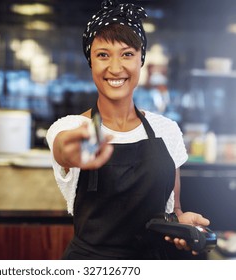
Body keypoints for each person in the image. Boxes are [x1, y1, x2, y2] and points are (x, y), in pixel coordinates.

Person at [46, 0, 210, 260]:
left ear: (141, 60)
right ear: (90, 61)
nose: (115, 67)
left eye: (127, 54)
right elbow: (64, 148)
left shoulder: (166, 130)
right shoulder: (72, 127)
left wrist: (182, 223)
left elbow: (174, 209)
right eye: (103, 55)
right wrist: (74, 150)